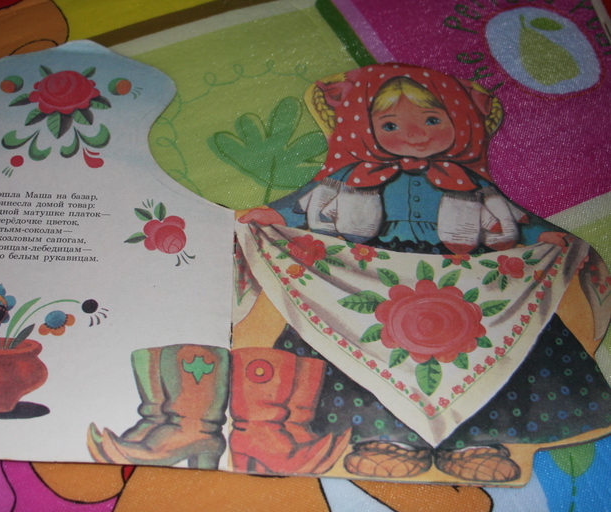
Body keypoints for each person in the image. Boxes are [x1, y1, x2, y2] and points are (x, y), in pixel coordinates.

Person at [234, 64, 611, 482]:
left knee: (487, 351)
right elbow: (302, 206)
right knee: (353, 344)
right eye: (391, 125)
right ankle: (381, 439)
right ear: (365, 130)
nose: (414, 135)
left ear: (460, 125)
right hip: (368, 272)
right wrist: (272, 216)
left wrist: (545, 236)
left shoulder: (470, 183)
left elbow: (516, 219)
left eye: (432, 121)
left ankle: (477, 442)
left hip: (463, 276)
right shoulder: (349, 177)